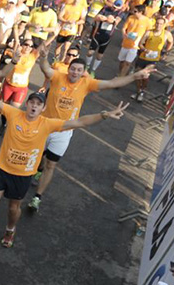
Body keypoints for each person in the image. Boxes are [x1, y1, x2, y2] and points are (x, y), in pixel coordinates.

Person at [0, 82, 128, 247]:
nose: (34, 106)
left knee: (13, 209)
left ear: (43, 108)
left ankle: (10, 228)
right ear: (27, 104)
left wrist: (104, 115)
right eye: (32, 102)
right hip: (1, 170)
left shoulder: (47, 124)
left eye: (38, 104)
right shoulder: (13, 114)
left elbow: (79, 122)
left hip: (23, 176)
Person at [28, 54, 151, 213]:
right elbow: (45, 68)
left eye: (79, 70)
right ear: (69, 69)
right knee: (36, 157)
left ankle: (37, 197)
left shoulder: (87, 83)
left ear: (83, 72)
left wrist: (135, 76)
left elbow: (112, 83)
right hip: (45, 126)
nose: (75, 72)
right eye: (73, 69)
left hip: (65, 130)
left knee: (51, 164)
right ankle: (37, 169)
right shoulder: (58, 77)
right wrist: (43, 57)